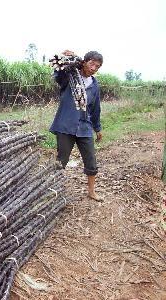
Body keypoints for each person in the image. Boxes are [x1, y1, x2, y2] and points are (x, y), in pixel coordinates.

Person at [50, 50, 103, 201]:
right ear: (84, 62)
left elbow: (95, 109)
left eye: (97, 66)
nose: (93, 68)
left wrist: (97, 128)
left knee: (91, 161)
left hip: (85, 127)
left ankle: (91, 192)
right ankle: (54, 190)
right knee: (61, 160)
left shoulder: (94, 85)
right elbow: (58, 74)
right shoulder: (70, 76)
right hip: (65, 125)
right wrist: (64, 57)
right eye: (92, 63)